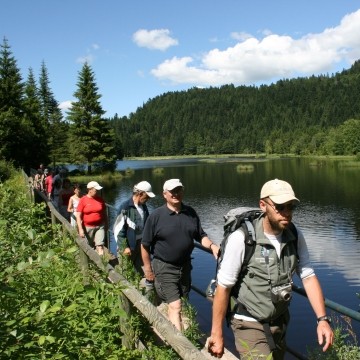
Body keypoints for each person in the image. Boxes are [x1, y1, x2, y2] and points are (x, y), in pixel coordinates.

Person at [207, 179, 334, 359]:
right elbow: (223, 287)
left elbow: (308, 276)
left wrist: (322, 319)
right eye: (280, 207)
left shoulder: (295, 236)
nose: (287, 213)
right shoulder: (242, 239)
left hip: (280, 323)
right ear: (263, 205)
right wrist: (217, 334)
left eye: (291, 207)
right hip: (248, 323)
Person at [141, 178, 219, 331]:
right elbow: (145, 245)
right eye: (172, 191)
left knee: (182, 300)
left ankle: (179, 331)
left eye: (179, 190)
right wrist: (148, 269)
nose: (176, 194)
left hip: (185, 267)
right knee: (175, 305)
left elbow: (200, 235)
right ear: (165, 194)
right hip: (164, 266)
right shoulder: (156, 216)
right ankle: (179, 345)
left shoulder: (190, 213)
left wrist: (213, 246)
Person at [114, 181, 155, 276]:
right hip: (128, 245)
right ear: (140, 194)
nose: (148, 199)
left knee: (140, 270)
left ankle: (140, 288)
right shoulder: (125, 207)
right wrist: (124, 247)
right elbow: (118, 229)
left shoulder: (144, 206)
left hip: (141, 244)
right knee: (125, 271)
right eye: (147, 196)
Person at [76, 181, 108, 256]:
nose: (97, 192)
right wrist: (80, 229)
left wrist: (106, 224)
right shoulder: (83, 200)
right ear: (89, 190)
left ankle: (101, 264)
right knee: (89, 246)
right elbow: (78, 215)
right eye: (95, 190)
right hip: (87, 227)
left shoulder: (100, 200)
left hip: (100, 226)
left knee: (100, 246)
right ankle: (90, 264)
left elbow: (104, 213)